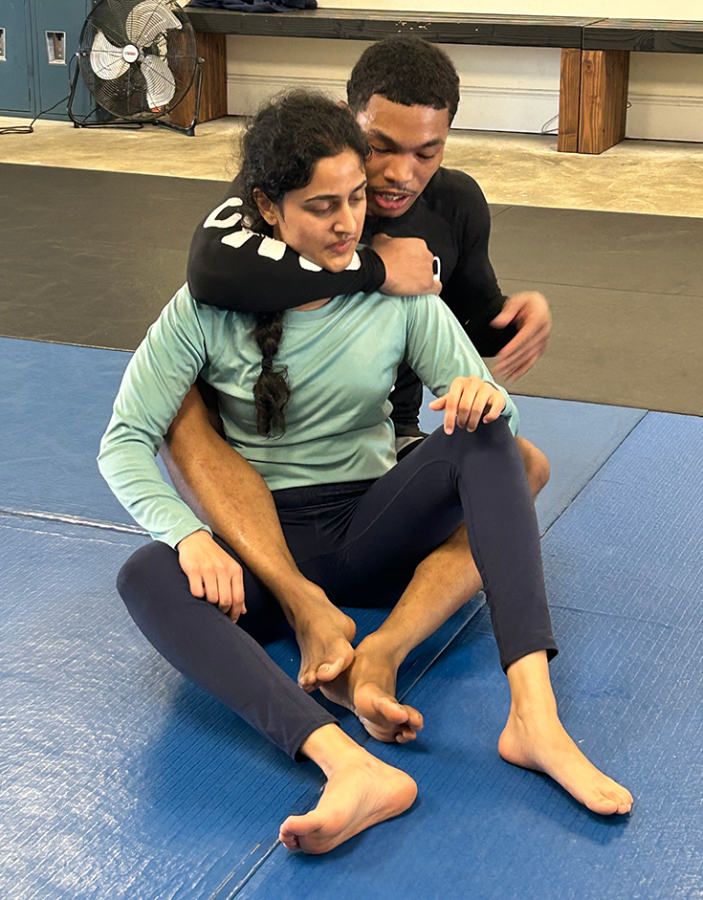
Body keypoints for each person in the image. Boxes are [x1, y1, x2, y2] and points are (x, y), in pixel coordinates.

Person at [99, 93, 632, 856]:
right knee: (144, 573)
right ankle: (344, 764)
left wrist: (483, 396)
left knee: (487, 440)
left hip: (374, 528)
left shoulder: (397, 296)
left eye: (353, 199)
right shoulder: (204, 308)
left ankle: (533, 719)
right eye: (320, 207)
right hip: (263, 553)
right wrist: (186, 535)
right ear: (266, 209)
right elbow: (122, 442)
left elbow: (486, 411)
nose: (348, 223)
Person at [162, 37, 552, 709]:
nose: (401, 173)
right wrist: (374, 267)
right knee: (179, 406)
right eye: (380, 146)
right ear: (350, 121)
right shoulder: (287, 189)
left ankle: (386, 649)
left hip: (379, 432)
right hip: (262, 446)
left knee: (524, 462)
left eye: (425, 153)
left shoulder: (456, 204)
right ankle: (289, 582)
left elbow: (465, 312)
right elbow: (212, 271)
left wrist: (514, 316)